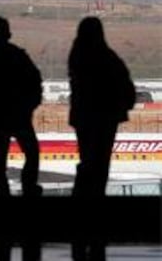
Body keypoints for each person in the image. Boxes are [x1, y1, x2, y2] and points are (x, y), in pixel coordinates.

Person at [68, 17, 136, 261]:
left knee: (87, 164)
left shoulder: (76, 57)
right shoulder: (108, 57)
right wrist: (120, 107)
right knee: (100, 167)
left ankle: (81, 213)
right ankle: (96, 213)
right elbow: (128, 88)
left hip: (84, 119)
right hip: (106, 120)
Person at [0, 16, 43, 197]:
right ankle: (28, 187)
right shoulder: (19, 57)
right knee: (31, 154)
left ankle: (3, 192)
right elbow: (36, 85)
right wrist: (27, 108)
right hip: (17, 117)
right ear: (9, 34)